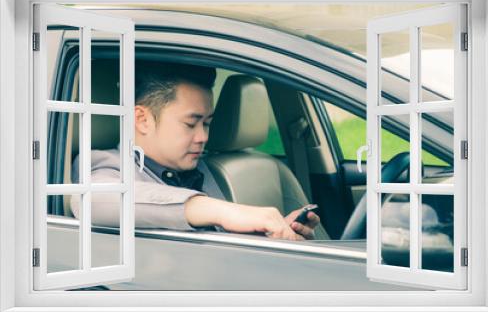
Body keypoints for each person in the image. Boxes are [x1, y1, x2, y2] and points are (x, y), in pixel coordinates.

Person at [71, 61, 320, 241]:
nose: (203, 137)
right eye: (191, 123)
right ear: (142, 119)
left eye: (207, 123)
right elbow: (94, 199)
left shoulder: (206, 168)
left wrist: (274, 234)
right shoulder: (106, 165)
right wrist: (225, 212)